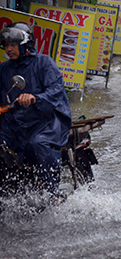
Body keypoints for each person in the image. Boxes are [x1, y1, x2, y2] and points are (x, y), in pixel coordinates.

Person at [0, 22, 72, 197]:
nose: (9, 49)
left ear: (25, 44)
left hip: (44, 121)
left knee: (38, 143)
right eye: (6, 45)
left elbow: (55, 91)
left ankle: (51, 194)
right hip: (14, 123)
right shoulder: (4, 69)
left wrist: (34, 98)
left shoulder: (44, 63)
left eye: (13, 45)